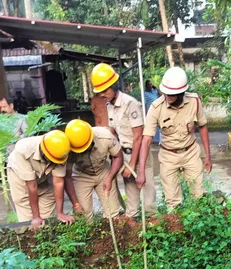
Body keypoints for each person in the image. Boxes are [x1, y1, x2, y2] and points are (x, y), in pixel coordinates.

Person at [137, 67, 212, 210]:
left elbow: (202, 126)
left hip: (191, 153)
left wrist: (208, 156)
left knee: (198, 196)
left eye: (172, 94)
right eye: (166, 93)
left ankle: (195, 226)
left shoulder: (194, 101)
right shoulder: (156, 107)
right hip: (168, 156)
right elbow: (146, 140)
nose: (167, 96)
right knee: (172, 202)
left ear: (181, 93)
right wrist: (141, 171)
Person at [90, 63, 156, 221]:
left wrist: (133, 165)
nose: (102, 95)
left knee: (149, 205)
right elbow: (114, 130)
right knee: (131, 206)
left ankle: (154, 232)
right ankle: (133, 233)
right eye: (100, 92)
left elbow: (139, 136)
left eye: (105, 90)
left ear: (114, 86)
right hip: (124, 157)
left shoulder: (130, 103)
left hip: (139, 156)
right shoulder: (109, 106)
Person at [7, 130, 74, 229]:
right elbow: (32, 186)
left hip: (43, 177)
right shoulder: (23, 151)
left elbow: (58, 182)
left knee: (49, 220)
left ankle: (49, 239)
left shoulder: (61, 151)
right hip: (20, 178)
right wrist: (36, 217)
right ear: (44, 151)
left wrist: (60, 213)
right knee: (30, 223)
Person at [64, 119, 123, 220]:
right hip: (81, 175)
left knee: (113, 213)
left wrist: (110, 177)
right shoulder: (67, 147)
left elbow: (118, 157)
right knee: (83, 215)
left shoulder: (105, 136)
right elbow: (67, 177)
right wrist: (76, 204)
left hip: (103, 172)